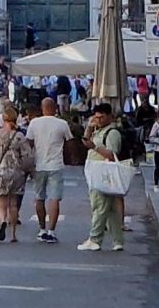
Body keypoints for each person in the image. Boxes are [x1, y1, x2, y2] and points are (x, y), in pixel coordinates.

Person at [23, 96, 76, 243]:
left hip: (39, 165)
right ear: (55, 108)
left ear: (42, 108)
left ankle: (42, 229)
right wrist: (70, 158)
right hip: (56, 165)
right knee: (54, 199)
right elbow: (70, 143)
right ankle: (51, 231)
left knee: (39, 198)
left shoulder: (34, 123)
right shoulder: (62, 124)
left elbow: (28, 143)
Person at [78, 102, 128, 252]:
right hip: (95, 171)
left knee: (99, 206)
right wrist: (89, 128)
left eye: (101, 117)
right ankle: (118, 240)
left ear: (110, 117)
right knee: (110, 209)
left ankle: (95, 239)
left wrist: (94, 147)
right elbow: (85, 142)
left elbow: (112, 154)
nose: (98, 120)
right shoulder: (98, 131)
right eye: (96, 117)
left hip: (104, 173)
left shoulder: (112, 133)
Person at [0, 104, 34, 242]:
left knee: (2, 204)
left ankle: (3, 221)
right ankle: (13, 234)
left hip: (0, 172)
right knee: (13, 204)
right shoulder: (19, 136)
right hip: (16, 173)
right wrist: (28, 169)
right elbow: (28, 155)